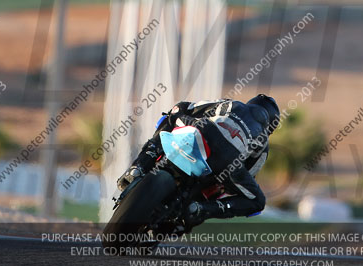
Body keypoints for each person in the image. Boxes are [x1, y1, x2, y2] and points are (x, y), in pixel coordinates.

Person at [117, 94, 280, 226]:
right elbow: (250, 174)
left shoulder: (232, 104)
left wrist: (178, 115)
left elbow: (187, 107)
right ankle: (201, 208)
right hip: (228, 163)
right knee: (257, 201)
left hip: (203, 133)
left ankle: (139, 167)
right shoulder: (263, 142)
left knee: (172, 115)